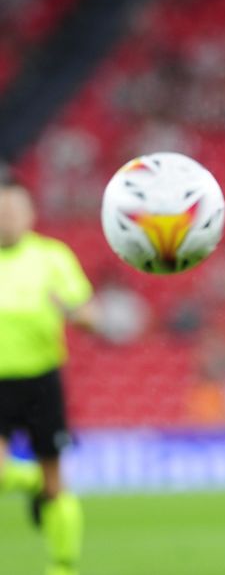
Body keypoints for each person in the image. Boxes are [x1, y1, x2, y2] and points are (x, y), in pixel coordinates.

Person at [0, 178, 100, 575]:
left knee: (56, 486)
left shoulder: (51, 257)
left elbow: (91, 316)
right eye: (1, 213)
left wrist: (73, 312)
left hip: (41, 382)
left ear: (30, 216)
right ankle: (28, 482)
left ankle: (61, 568)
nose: (6, 219)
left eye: (13, 212)